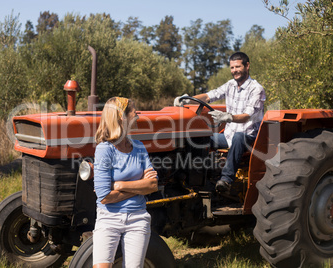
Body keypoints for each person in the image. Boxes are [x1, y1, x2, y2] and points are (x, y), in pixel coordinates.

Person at [174, 52, 266, 193]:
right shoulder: (230, 85)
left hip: (250, 137)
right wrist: (188, 99)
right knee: (200, 138)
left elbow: (247, 116)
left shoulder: (256, 89)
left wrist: (228, 117)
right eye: (232, 67)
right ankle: (192, 179)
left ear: (247, 66)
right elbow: (210, 95)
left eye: (238, 66)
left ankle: (226, 180)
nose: (234, 70)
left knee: (239, 136)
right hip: (228, 136)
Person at [93, 97, 158, 268]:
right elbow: (104, 196)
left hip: (138, 217)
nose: (137, 114)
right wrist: (139, 187)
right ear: (122, 117)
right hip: (108, 217)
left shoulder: (139, 147)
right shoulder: (104, 150)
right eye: (134, 111)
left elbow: (153, 185)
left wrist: (120, 185)